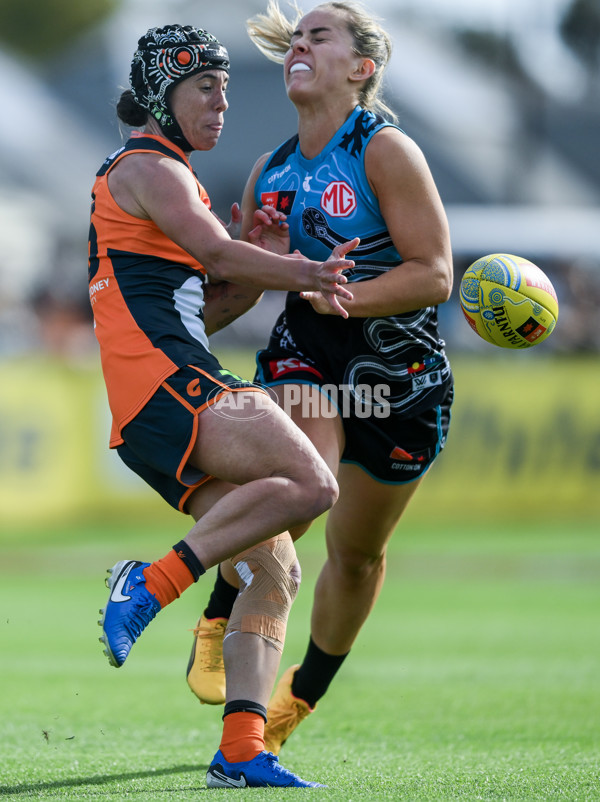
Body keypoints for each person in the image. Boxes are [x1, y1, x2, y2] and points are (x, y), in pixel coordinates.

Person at [88, 23, 360, 789]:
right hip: (169, 385)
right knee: (313, 485)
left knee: (275, 570)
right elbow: (211, 258)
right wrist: (301, 268)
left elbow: (195, 307)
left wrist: (259, 268)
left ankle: (240, 749)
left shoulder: (164, 176)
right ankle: (148, 585)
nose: (223, 103)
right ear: (159, 95)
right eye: (206, 86)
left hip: (150, 403)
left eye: (227, 88)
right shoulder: (151, 166)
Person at [186, 0, 454, 756]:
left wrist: (350, 296)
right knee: (301, 501)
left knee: (359, 553)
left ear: (360, 67)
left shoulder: (386, 150)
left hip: (401, 374)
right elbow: (236, 296)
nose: (299, 43)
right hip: (309, 350)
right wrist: (250, 263)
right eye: (294, 35)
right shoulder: (269, 173)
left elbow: (434, 275)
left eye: (320, 35)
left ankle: (301, 694)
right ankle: (217, 606)